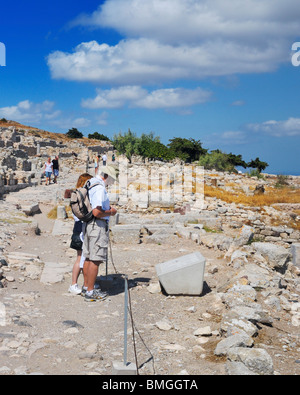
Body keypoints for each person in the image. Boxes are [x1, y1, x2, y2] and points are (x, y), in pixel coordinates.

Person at [82, 165, 117, 302]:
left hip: (88, 224)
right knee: (95, 259)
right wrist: (111, 212)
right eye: (112, 179)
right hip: (97, 225)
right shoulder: (100, 188)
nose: (112, 182)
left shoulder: (89, 183)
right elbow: (97, 212)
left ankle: (86, 286)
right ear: (106, 176)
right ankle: (90, 292)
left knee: (89, 257)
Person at [69, 173, 93, 295]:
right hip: (81, 228)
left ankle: (86, 283)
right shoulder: (82, 196)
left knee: (84, 258)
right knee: (81, 258)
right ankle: (74, 284)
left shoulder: (76, 195)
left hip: (78, 227)